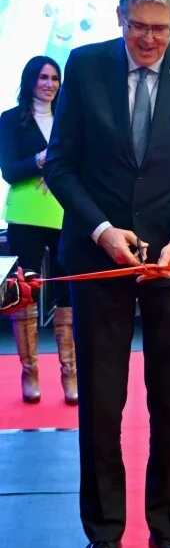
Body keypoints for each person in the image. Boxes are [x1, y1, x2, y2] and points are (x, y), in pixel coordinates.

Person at [42, 0, 170, 548]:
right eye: (139, 27)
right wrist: (101, 230)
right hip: (99, 258)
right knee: (101, 403)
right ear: (119, 17)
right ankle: (103, 537)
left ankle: (167, 533)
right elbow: (61, 167)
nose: (149, 40)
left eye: (161, 29)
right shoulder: (85, 65)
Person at [0, 55, 76, 405]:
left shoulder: (68, 118)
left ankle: (69, 374)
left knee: (67, 296)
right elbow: (10, 171)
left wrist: (58, 171)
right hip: (26, 216)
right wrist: (42, 160)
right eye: (43, 77)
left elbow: (80, 163)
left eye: (55, 78)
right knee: (24, 295)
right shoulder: (10, 119)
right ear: (30, 80)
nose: (49, 84)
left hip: (65, 215)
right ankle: (29, 372)